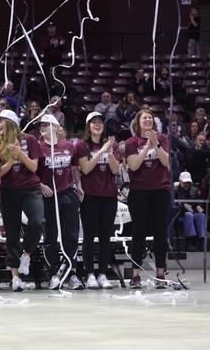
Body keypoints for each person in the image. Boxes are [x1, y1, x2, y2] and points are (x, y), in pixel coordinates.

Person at [0, 109, 44, 292]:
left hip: (30, 188)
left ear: (11, 122)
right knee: (12, 234)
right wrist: (10, 159)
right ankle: (15, 277)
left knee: (38, 222)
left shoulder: (30, 140)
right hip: (9, 191)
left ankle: (27, 253)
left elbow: (33, 167)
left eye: (1, 120)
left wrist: (20, 154)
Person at [124, 108, 171, 289]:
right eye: (144, 118)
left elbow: (166, 162)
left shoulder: (163, 139)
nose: (148, 120)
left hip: (160, 190)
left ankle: (160, 273)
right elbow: (134, 165)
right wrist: (147, 146)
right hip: (139, 192)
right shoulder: (131, 142)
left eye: (150, 118)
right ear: (138, 122)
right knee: (139, 233)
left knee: (161, 232)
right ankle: (136, 275)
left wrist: (156, 144)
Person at [76, 112, 121, 289]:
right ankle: (89, 274)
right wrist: (101, 151)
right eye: (93, 122)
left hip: (109, 196)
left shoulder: (113, 144)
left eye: (100, 122)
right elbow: (85, 169)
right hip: (90, 196)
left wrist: (109, 151)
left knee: (105, 236)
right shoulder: (81, 145)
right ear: (88, 126)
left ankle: (102, 273)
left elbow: (116, 169)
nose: (97, 124)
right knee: (89, 236)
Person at [37, 115, 81, 290]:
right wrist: (40, 185)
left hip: (67, 194)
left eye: (46, 125)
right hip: (48, 197)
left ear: (55, 127)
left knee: (71, 236)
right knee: (50, 237)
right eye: (40, 126)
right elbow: (31, 171)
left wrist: (79, 186)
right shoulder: (39, 148)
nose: (43, 128)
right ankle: (53, 274)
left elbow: (74, 168)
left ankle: (71, 273)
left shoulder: (69, 146)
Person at [174, 171, 205, 251]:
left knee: (201, 216)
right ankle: (190, 240)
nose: (187, 184)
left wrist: (199, 206)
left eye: (188, 182)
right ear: (180, 181)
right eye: (184, 182)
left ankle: (201, 239)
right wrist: (183, 205)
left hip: (193, 212)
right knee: (189, 215)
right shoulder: (175, 190)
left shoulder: (194, 189)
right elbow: (173, 204)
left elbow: (198, 201)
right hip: (180, 214)